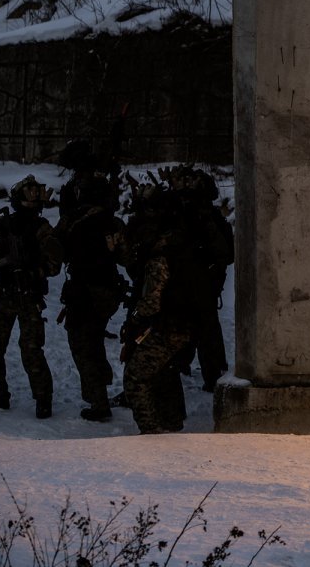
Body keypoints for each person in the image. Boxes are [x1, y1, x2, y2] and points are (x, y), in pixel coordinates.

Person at [0, 175, 64, 419]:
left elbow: (54, 265)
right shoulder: (4, 223)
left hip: (29, 295)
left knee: (31, 349)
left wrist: (32, 270)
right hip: (4, 294)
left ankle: (43, 399)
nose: (29, 205)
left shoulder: (43, 229)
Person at [55, 142, 127, 422]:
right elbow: (124, 257)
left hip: (87, 289)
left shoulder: (74, 220)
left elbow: (55, 249)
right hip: (107, 288)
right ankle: (102, 385)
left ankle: (99, 402)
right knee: (92, 339)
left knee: (83, 344)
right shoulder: (111, 222)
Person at [120, 182, 194, 434]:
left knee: (135, 377)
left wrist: (136, 319)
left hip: (167, 325)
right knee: (163, 371)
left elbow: (152, 301)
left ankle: (151, 431)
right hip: (180, 323)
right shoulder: (180, 243)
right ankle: (171, 421)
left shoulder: (160, 254)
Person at [166, 166, 234, 391]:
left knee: (203, 329)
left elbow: (225, 253)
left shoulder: (204, 216)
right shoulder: (185, 211)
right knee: (197, 328)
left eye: (190, 181)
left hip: (199, 282)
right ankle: (189, 366)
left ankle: (211, 374)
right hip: (192, 282)